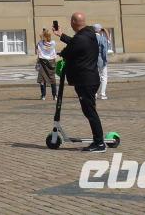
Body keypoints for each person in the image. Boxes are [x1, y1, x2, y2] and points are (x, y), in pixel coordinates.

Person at [56, 12, 106, 151]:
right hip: (90, 78)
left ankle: (99, 143)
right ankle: (99, 140)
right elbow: (76, 43)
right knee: (89, 110)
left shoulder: (80, 38)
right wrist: (61, 35)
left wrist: (63, 52)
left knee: (90, 111)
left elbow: (67, 51)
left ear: (73, 22)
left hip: (85, 80)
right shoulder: (88, 34)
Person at [35, 28, 58, 99]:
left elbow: (37, 49)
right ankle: (54, 95)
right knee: (52, 78)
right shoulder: (53, 43)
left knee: (42, 79)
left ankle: (43, 95)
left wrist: (44, 32)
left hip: (42, 61)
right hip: (51, 61)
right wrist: (46, 33)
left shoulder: (40, 43)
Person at [96, 25, 113, 99]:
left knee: (94, 77)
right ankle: (102, 94)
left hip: (91, 59)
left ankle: (94, 94)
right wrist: (105, 60)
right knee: (104, 77)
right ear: (100, 30)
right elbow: (105, 50)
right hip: (101, 59)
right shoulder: (102, 38)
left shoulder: (90, 38)